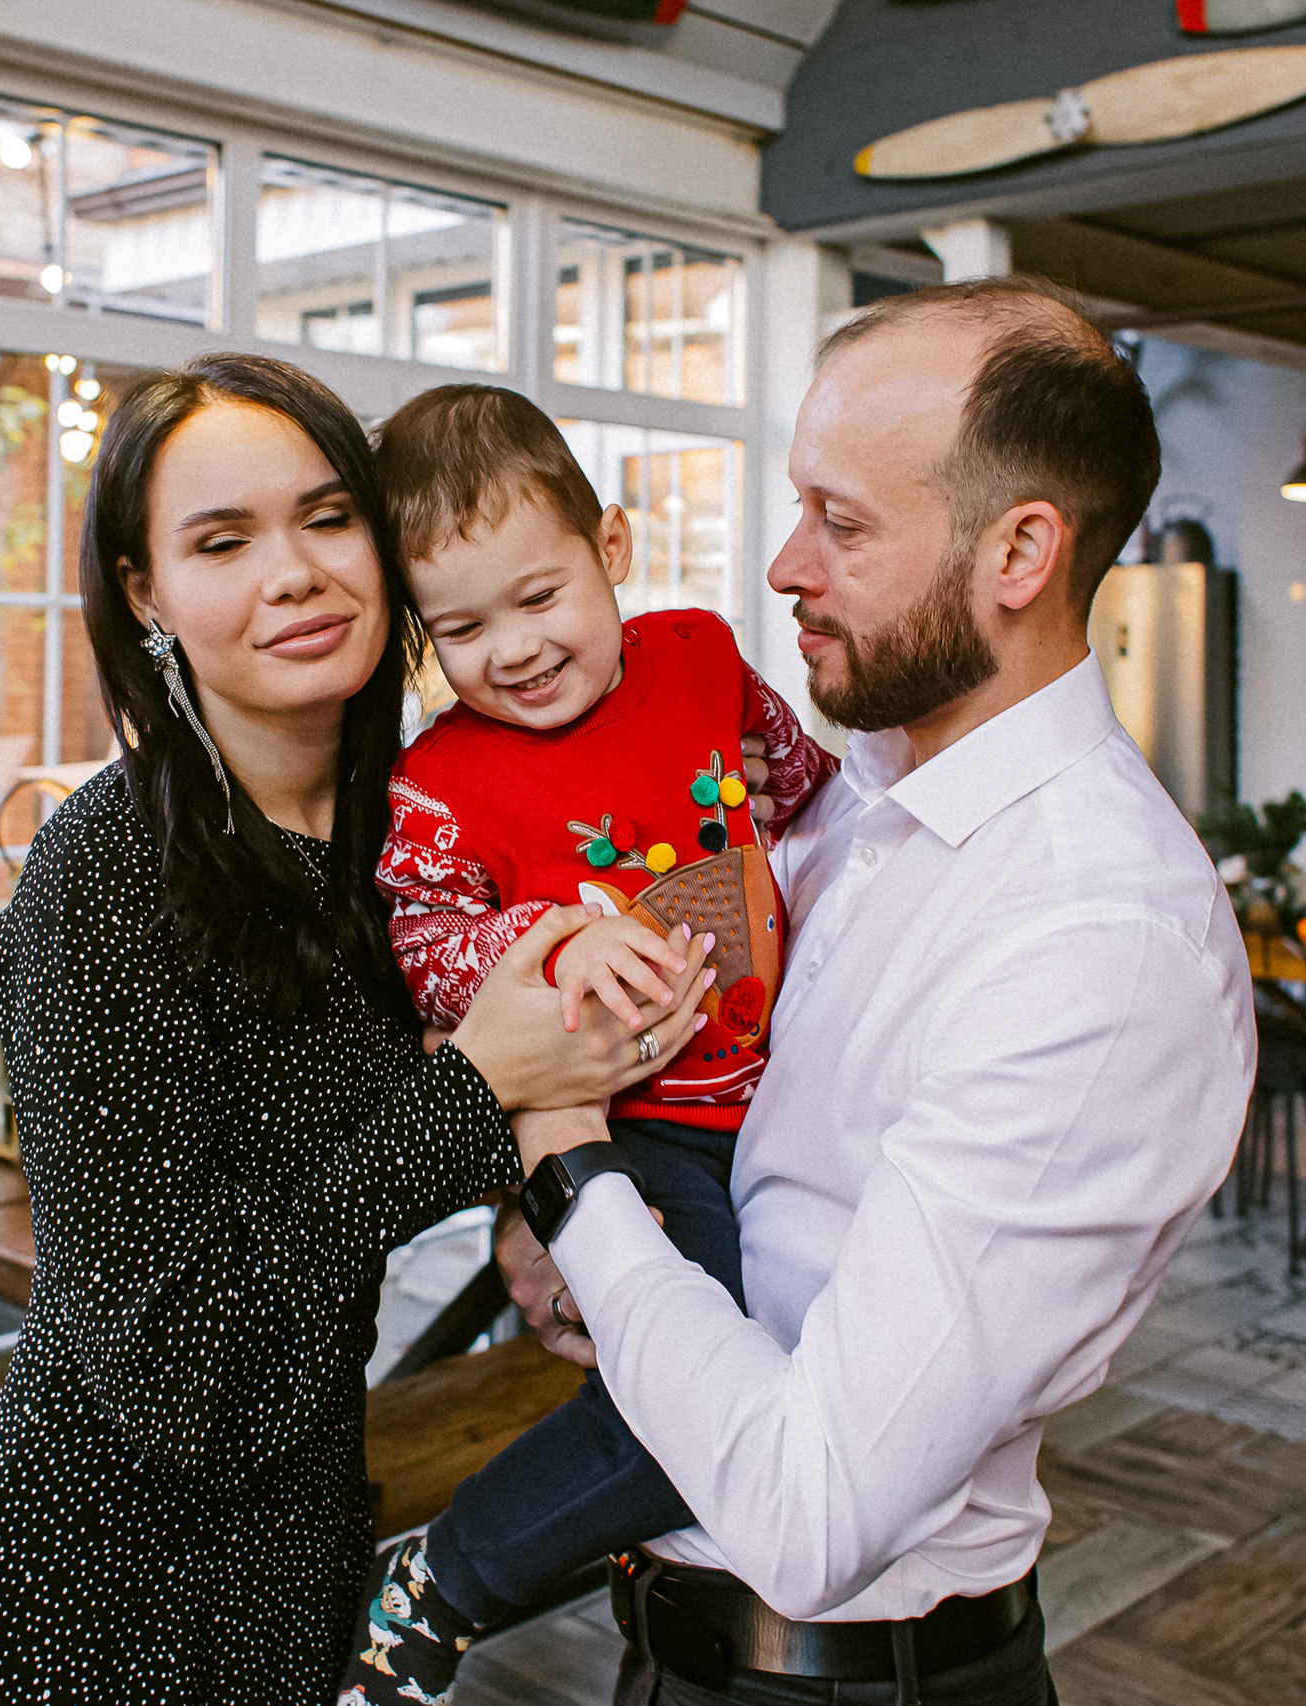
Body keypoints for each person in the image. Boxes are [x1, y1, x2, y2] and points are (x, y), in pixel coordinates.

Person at [0, 353, 713, 1706]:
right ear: (146, 596)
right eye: (222, 539)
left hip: (298, 1567)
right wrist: (479, 1097)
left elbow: (406, 1113)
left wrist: (525, 1199)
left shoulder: (418, 828)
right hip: (75, 1610)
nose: (297, 571)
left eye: (329, 517)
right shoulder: (103, 879)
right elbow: (180, 1369)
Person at [498, 277, 1258, 1705]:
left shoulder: (1096, 937)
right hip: (669, 1648)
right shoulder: (842, 811)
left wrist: (561, 1162)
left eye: (842, 522)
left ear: (1020, 549)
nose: (785, 564)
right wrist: (573, 1240)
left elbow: (809, 1512)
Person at [334, 386, 837, 1705]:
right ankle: (448, 1576)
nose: (511, 647)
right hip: (633, 1123)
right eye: (460, 627)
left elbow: (794, 780)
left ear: (611, 548)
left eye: (538, 596)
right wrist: (541, 936)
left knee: (746, 1397)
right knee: (700, 1409)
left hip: (775, 1098)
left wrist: (786, 798)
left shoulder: (698, 655)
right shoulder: (436, 784)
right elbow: (421, 945)